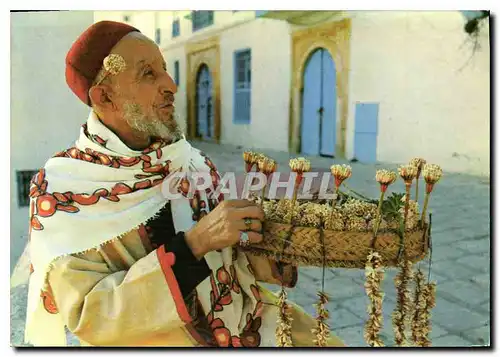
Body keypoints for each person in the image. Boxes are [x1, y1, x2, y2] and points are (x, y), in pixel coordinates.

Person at [24, 20, 345, 347]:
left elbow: (231, 258)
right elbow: (88, 316)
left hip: (242, 319)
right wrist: (192, 245)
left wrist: (281, 243)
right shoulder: (62, 191)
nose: (171, 85)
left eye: (164, 69)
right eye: (148, 73)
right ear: (105, 97)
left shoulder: (190, 161)